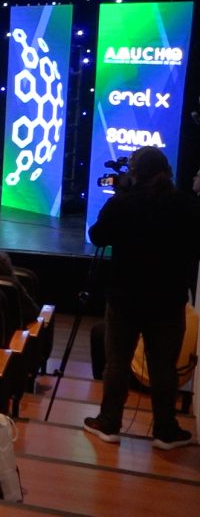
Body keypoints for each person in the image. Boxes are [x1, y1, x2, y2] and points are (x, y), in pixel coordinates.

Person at [84, 146, 200, 450]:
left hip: (125, 298)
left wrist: (118, 198)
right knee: (164, 367)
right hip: (169, 300)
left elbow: (97, 236)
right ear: (167, 172)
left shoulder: (123, 203)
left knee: (117, 363)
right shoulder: (186, 205)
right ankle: (166, 431)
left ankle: (109, 424)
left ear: (134, 173)